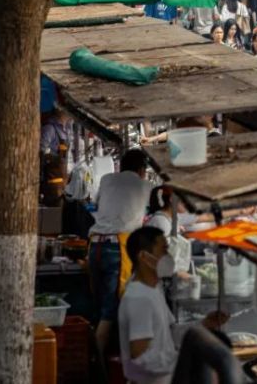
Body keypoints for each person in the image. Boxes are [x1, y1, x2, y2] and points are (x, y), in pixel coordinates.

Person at [119, 226, 226, 383]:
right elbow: (141, 359)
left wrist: (204, 324)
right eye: (164, 250)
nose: (168, 257)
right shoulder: (139, 298)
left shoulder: (154, 288)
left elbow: (170, 332)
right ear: (144, 256)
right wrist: (186, 359)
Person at [89, 149, 153, 354]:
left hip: (95, 246)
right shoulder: (145, 186)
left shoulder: (107, 180)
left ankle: (102, 358)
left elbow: (99, 203)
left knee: (98, 306)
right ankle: (98, 369)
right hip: (117, 249)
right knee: (110, 311)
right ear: (142, 170)